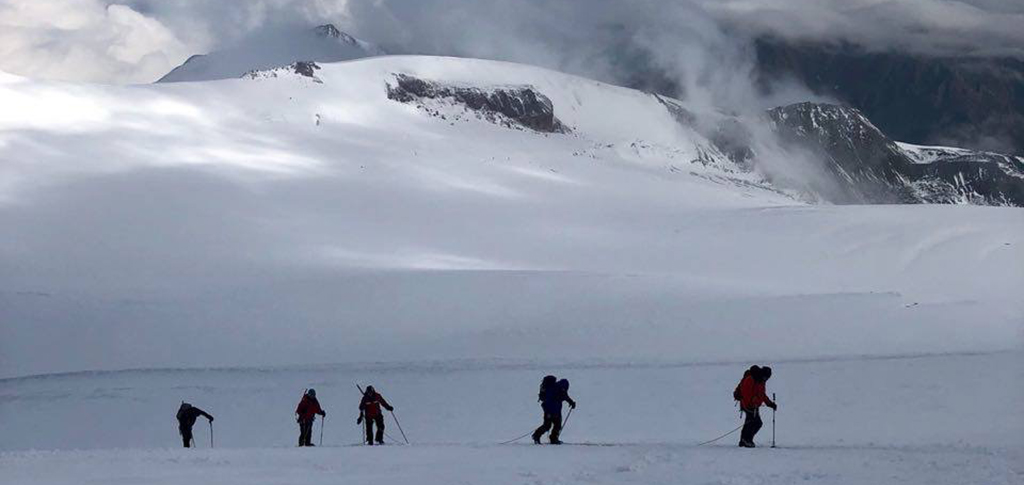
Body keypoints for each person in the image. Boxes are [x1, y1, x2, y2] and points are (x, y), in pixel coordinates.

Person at [734, 365, 776, 448]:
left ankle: (744, 440)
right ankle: (746, 440)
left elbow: (762, 394)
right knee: (755, 422)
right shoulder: (750, 379)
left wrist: (770, 404)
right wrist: (752, 404)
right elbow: (746, 393)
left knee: (752, 422)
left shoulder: (761, 381)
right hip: (747, 405)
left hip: (754, 406)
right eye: (766, 377)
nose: (766, 379)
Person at [532, 376, 576, 445]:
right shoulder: (560, 388)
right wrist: (571, 402)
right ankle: (539, 436)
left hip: (549, 409)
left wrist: (570, 402)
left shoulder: (554, 387)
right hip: (553, 409)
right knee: (553, 425)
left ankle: (550, 438)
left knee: (552, 425)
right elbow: (565, 396)